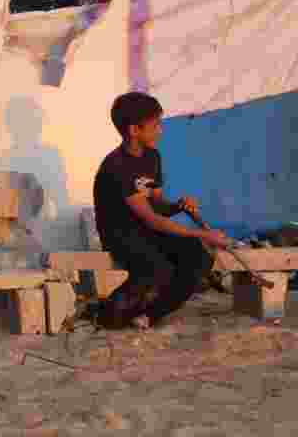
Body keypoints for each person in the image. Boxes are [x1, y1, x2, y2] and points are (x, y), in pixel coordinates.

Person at [92, 92, 232, 330]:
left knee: (199, 255)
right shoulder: (116, 167)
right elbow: (152, 219)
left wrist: (178, 205)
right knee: (158, 268)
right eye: (156, 125)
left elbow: (157, 205)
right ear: (134, 130)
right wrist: (204, 234)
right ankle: (105, 314)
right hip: (121, 236)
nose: (161, 131)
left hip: (146, 231)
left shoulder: (152, 156)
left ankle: (150, 315)